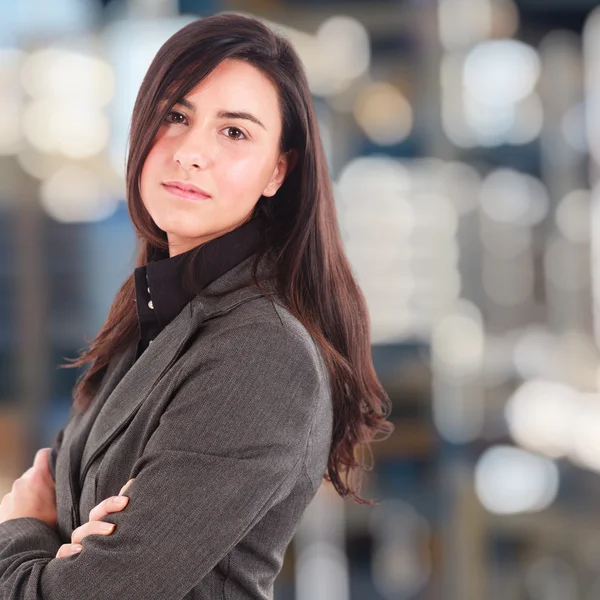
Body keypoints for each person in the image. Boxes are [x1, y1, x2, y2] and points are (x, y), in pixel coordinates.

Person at [0, 12, 394, 599]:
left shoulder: (263, 354)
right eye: (176, 116)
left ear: (277, 171)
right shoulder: (156, 315)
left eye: (234, 132)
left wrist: (21, 529)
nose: (189, 152)